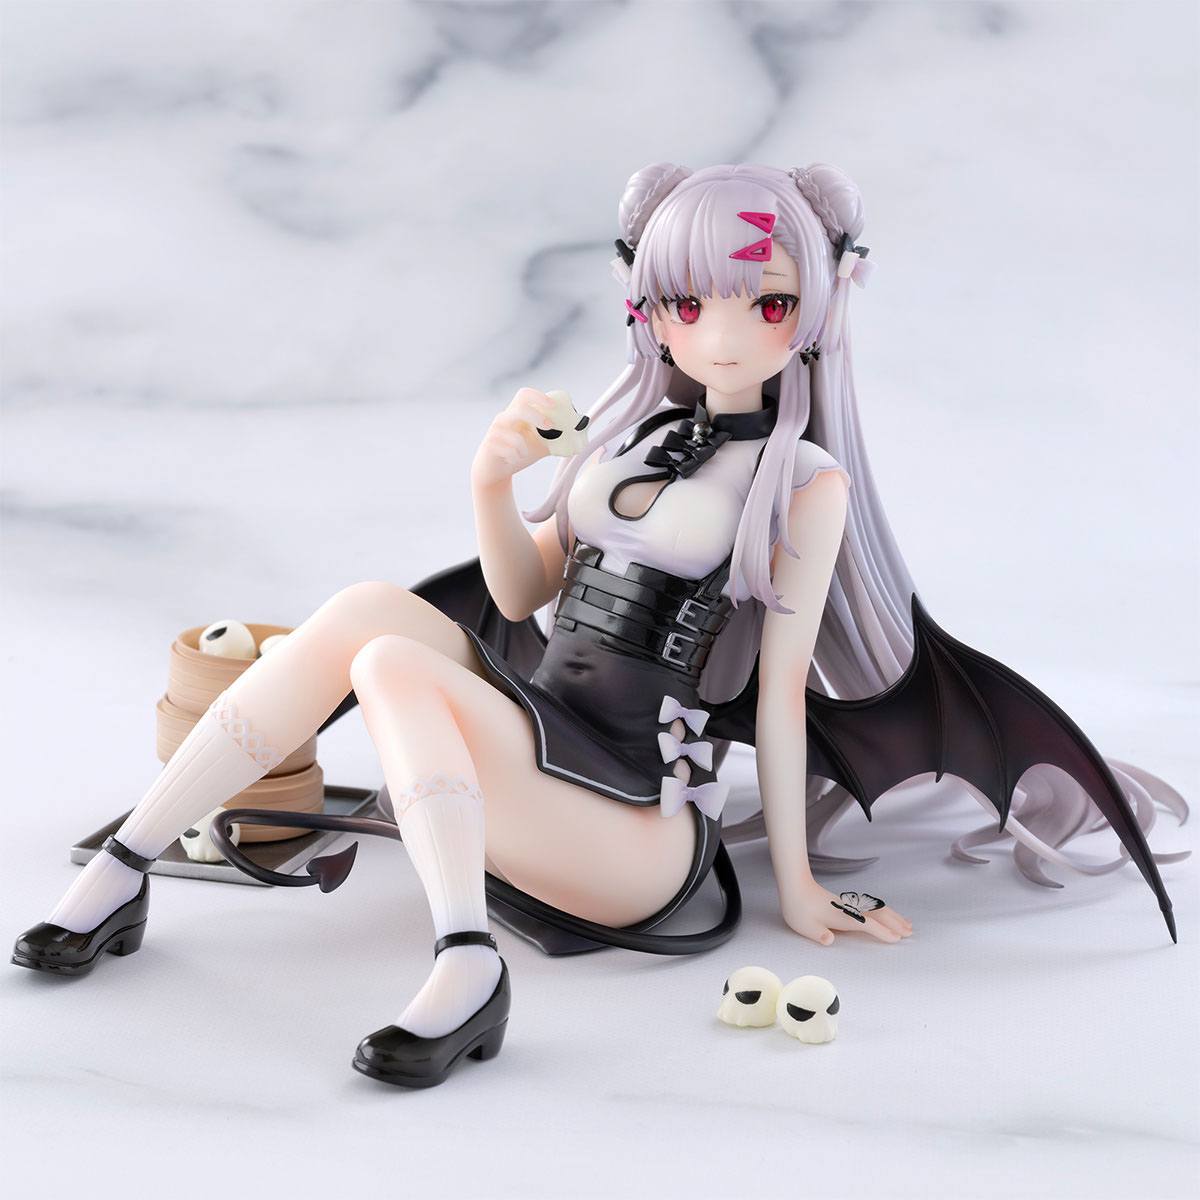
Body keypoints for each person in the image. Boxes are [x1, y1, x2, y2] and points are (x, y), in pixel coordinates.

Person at [11, 161, 1185, 1089]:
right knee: (371, 608)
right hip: (545, 742)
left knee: (392, 662)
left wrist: (796, 885)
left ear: (815, 312)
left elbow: (781, 694)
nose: (724, 332)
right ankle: (125, 870)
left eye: (769, 302)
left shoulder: (803, 483)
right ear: (651, 309)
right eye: (691, 302)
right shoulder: (628, 440)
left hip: (636, 832)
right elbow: (522, 597)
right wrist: (492, 484)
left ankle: (467, 967)